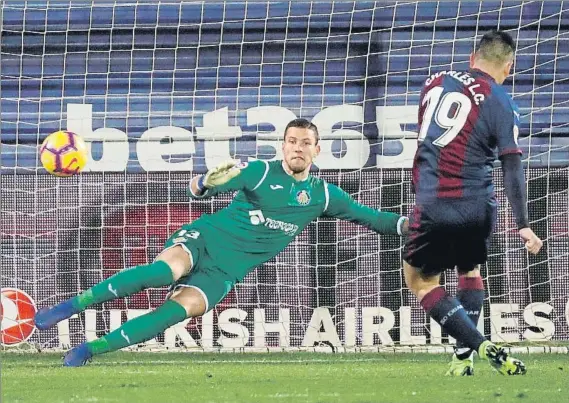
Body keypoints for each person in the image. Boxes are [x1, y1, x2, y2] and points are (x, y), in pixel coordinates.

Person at [35, 118, 409, 366]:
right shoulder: (261, 172)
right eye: (291, 141)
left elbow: (372, 218)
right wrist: (203, 183)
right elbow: (203, 187)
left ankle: (89, 349)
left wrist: (411, 225)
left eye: (305, 143)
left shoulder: (324, 196)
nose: (297, 148)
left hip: (226, 270)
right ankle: (74, 304)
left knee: (178, 311)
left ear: (317, 150)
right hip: (204, 240)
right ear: (282, 146)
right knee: (164, 272)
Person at [403, 30, 543, 376]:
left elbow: (430, 140)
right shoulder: (502, 100)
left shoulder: (435, 82)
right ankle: (462, 360)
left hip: (435, 201)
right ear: (508, 67)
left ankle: (481, 345)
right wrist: (523, 223)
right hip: (480, 205)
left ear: (472, 57)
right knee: (470, 270)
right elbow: (512, 163)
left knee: (421, 281)